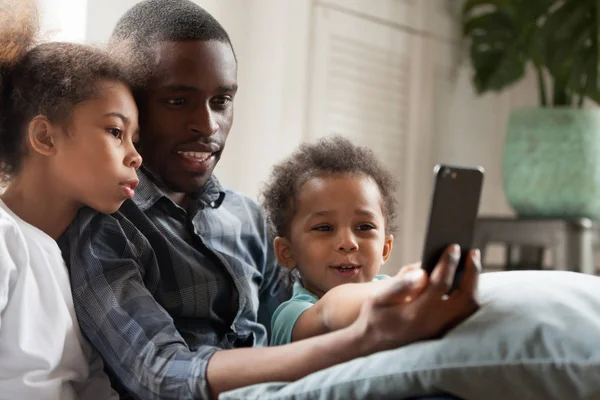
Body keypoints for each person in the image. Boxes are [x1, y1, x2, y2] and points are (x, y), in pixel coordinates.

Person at [58, 1, 481, 399]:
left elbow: (301, 316)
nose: (207, 124)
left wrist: (394, 302)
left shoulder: (245, 216)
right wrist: (364, 338)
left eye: (222, 101)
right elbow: (162, 374)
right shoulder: (103, 226)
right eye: (177, 101)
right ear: (129, 106)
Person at [0, 0, 142, 398]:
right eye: (116, 132)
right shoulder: (4, 238)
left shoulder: (80, 257)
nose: (136, 155)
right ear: (45, 137)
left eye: (135, 139)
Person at [261, 136, 475, 346]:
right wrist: (406, 287)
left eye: (364, 227)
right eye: (324, 228)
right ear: (286, 253)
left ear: (385, 248)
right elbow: (328, 312)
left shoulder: (387, 286)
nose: (348, 242)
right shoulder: (291, 316)